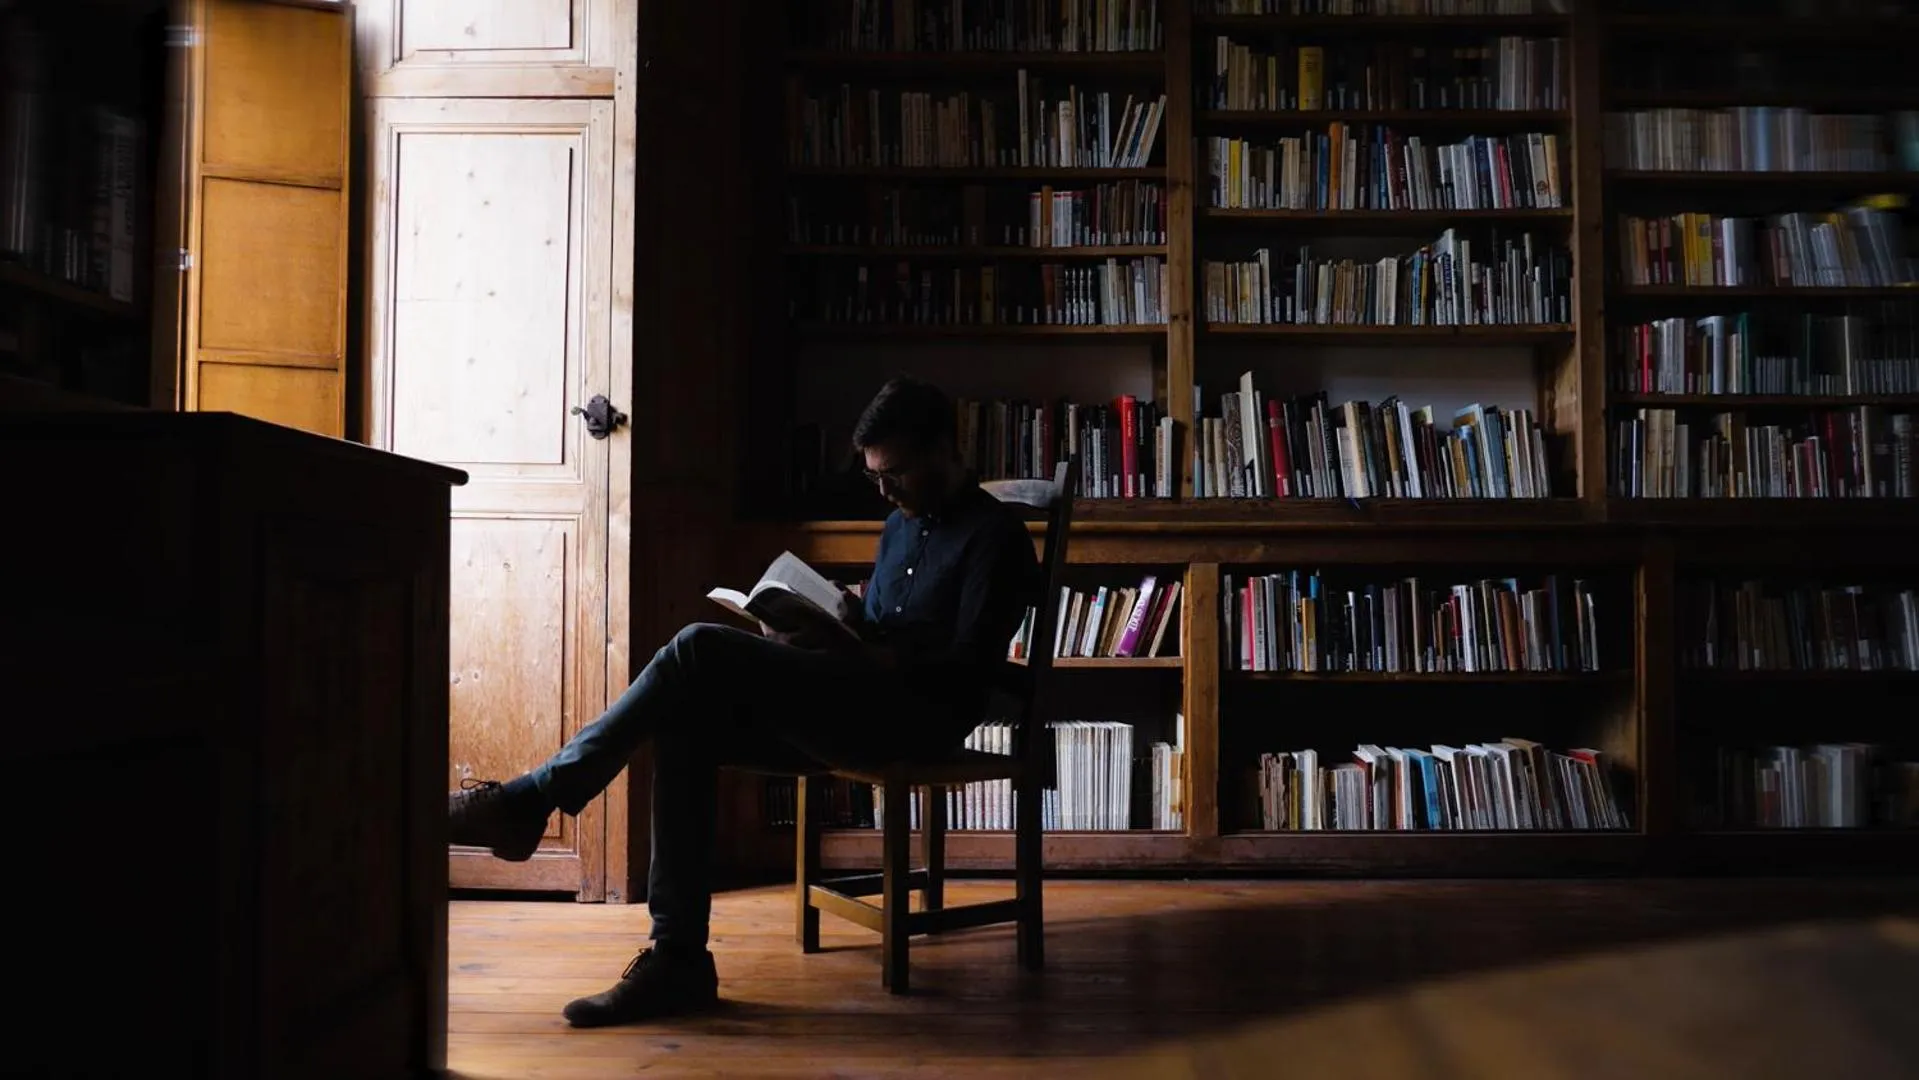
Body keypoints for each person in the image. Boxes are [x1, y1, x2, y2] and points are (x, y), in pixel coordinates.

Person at [447, 375, 1043, 1028]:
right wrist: (825, 625)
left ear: (944, 452)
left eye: (896, 473)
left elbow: (964, 675)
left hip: (917, 721)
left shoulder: (997, 538)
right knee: (686, 720)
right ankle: (678, 960)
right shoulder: (898, 526)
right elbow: (877, 633)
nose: (883, 489)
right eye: (874, 474)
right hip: (854, 702)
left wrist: (864, 654)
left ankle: (532, 800)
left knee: (699, 647)